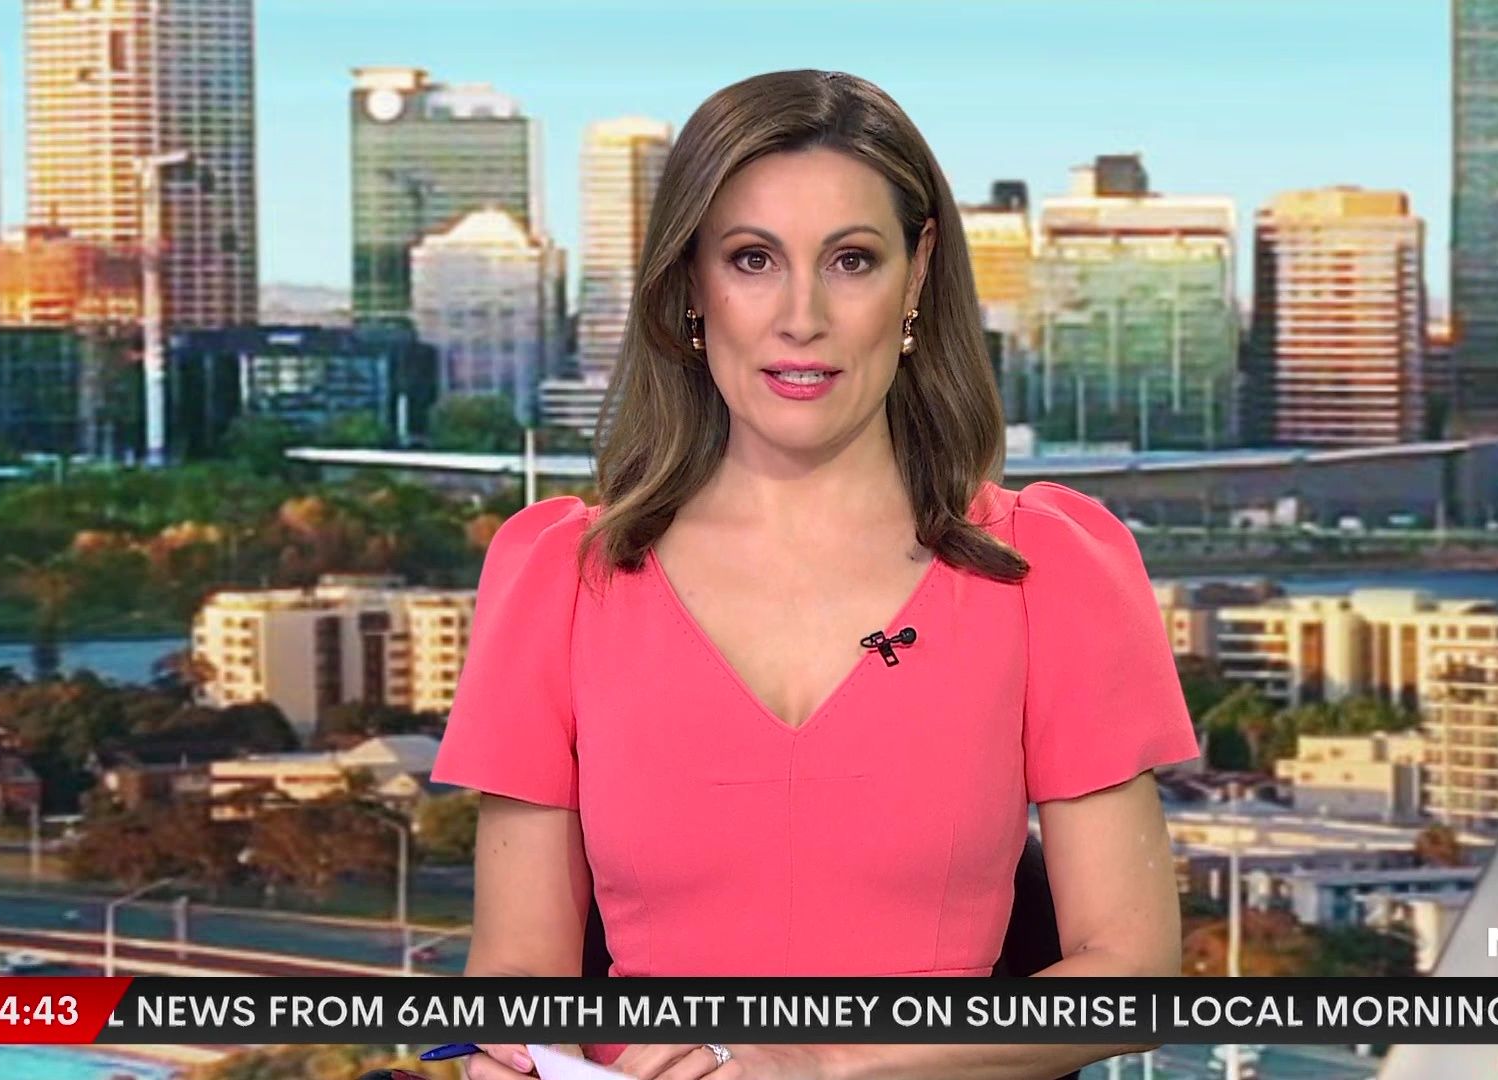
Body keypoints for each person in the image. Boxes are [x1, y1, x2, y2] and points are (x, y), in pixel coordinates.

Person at [431, 68, 1201, 1080]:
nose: (802, 316)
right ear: (690, 284)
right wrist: (518, 1055)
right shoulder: (559, 580)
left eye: (851, 260)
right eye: (752, 260)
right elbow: (521, 972)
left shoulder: (1047, 568)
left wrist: (822, 1067)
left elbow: (1131, 977)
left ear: (917, 276)